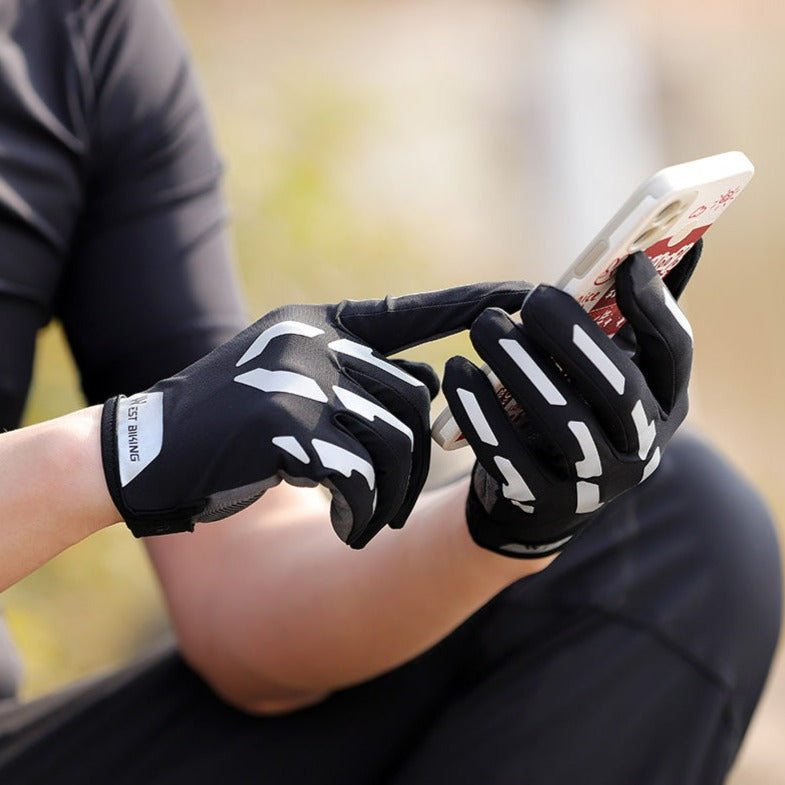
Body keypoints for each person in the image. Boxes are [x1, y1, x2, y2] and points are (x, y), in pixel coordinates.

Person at [0, 2, 780, 783]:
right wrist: (116, 451)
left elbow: (235, 600)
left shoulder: (80, 34)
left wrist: (502, 530)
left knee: (679, 537)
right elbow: (128, 452)